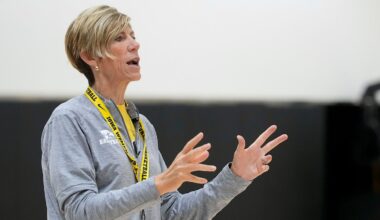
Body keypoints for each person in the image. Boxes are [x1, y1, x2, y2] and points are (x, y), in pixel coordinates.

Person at [41, 5, 288, 220]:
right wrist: (159, 184)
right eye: (119, 37)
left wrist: (235, 177)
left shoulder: (142, 126)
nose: (135, 44)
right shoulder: (69, 120)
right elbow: (79, 211)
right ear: (89, 56)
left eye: (133, 36)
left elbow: (171, 213)